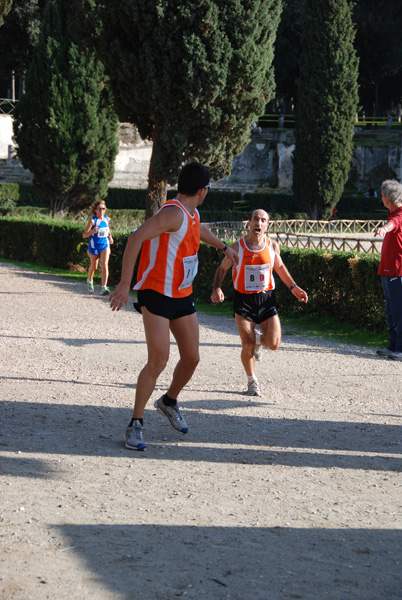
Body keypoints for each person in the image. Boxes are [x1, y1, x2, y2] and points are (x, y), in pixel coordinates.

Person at [109, 162, 238, 450]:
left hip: (181, 294)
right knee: (159, 360)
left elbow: (199, 230)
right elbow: (135, 237)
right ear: (203, 190)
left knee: (191, 357)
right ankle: (135, 424)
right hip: (156, 294)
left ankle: (168, 401)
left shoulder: (191, 213)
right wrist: (124, 283)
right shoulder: (172, 214)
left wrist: (224, 247)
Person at [211, 208, 308, 396]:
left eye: (263, 220)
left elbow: (279, 268)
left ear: (267, 225)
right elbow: (221, 269)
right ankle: (252, 380)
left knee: (274, 343)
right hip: (243, 299)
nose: (259, 223)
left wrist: (293, 287)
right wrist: (217, 288)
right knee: (246, 344)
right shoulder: (237, 248)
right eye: (256, 219)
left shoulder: (272, 246)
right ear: (249, 223)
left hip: (266, 299)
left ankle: (258, 340)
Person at [374, 179, 402, 361]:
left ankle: (400, 347)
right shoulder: (392, 211)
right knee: (391, 310)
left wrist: (384, 229)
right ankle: (393, 345)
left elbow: (393, 223)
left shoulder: (399, 214)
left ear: (386, 198)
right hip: (387, 270)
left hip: (397, 272)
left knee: (399, 311)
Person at [82, 200, 113, 296]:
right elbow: (84, 235)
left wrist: (110, 237)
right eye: (100, 209)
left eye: (103, 209)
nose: (102, 210)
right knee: (94, 267)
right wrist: (92, 231)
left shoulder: (107, 219)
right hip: (94, 246)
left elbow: (107, 230)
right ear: (95, 210)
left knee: (104, 264)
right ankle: (90, 281)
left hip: (105, 245)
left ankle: (104, 287)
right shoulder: (93, 221)